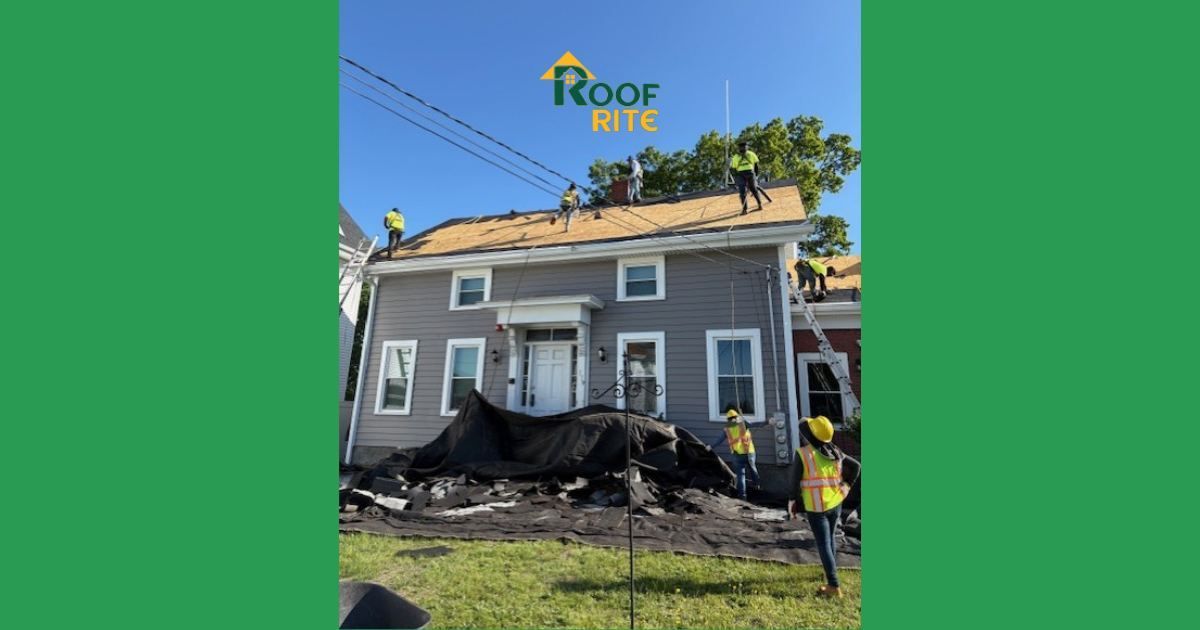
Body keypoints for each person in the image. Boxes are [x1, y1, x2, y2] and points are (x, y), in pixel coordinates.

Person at [789, 415, 861, 598]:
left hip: (817, 507)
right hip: (836, 503)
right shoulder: (835, 451)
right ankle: (831, 572)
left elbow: (793, 483)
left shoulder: (803, 454)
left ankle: (833, 585)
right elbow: (857, 466)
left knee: (823, 543)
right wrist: (847, 485)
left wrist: (792, 502)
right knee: (829, 540)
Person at [708, 408, 763, 499]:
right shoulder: (743, 423)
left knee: (741, 476)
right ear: (736, 416)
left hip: (737, 454)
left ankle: (743, 496)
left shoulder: (727, 428)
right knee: (753, 470)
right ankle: (757, 487)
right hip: (749, 452)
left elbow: (719, 440)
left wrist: (710, 446)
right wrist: (768, 422)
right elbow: (756, 424)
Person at [729, 141, 765, 215]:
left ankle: (759, 205)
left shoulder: (751, 154)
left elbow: (756, 166)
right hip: (742, 174)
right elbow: (734, 168)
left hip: (749, 173)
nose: (743, 148)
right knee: (743, 192)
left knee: (753, 189)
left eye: (744, 146)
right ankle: (745, 209)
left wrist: (756, 175)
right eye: (742, 147)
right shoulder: (737, 156)